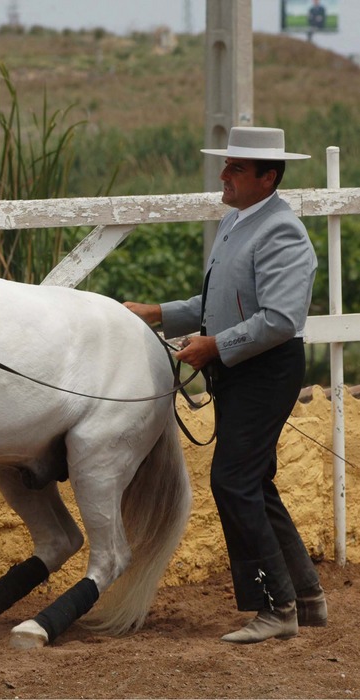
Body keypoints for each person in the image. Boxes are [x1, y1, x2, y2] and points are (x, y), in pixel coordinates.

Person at [124, 126, 327, 644]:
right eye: (228, 165)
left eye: (236, 168)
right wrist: (153, 313)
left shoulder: (281, 232)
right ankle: (305, 596)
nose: (224, 174)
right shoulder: (241, 223)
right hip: (247, 369)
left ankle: (274, 607)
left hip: (266, 370)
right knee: (253, 482)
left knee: (233, 482)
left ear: (268, 177)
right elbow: (214, 305)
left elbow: (280, 319)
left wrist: (213, 347)